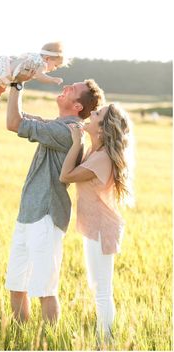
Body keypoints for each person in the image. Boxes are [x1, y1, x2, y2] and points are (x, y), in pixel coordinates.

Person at [5, 67, 105, 323]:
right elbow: (20, 116)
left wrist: (17, 85)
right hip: (28, 214)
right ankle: (21, 341)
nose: (66, 87)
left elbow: (13, 123)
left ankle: (48, 344)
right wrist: (11, 83)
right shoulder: (58, 125)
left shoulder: (69, 132)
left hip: (46, 217)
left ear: (77, 107)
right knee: (17, 286)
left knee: (45, 290)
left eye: (72, 89)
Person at [60, 103, 134, 342]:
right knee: (98, 287)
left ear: (102, 130)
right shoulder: (96, 152)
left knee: (102, 291)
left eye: (97, 114)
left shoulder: (101, 158)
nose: (91, 113)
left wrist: (75, 142)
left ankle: (106, 343)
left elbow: (66, 176)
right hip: (95, 227)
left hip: (102, 229)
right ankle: (105, 340)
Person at [0, 42, 66, 110]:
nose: (55, 68)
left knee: (0, 90)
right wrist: (52, 79)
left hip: (9, 74)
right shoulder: (41, 64)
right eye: (56, 65)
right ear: (47, 59)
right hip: (5, 71)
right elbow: (40, 76)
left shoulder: (36, 57)